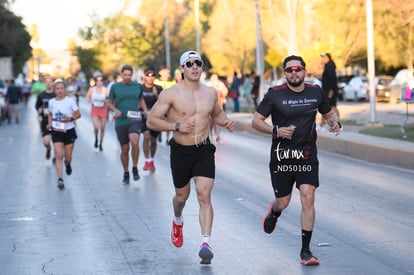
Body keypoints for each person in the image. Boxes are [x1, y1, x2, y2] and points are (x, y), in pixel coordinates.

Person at [147, 50, 235, 265]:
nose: (195, 67)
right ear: (182, 69)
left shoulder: (210, 93)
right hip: (181, 151)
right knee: (181, 197)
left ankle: (206, 242)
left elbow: (216, 113)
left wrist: (226, 122)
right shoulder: (171, 94)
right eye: (190, 63)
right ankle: (178, 220)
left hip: (204, 148)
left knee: (204, 195)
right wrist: (176, 125)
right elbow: (152, 121)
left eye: (198, 63)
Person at [251, 55, 341, 266]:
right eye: (289, 70)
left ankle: (306, 251)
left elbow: (329, 114)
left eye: (297, 69)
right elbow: (256, 121)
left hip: (307, 155)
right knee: (283, 201)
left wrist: (335, 123)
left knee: (308, 197)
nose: (294, 73)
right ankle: (274, 211)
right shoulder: (275, 94)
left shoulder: (315, 92)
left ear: (304, 71)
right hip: (282, 157)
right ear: (285, 74)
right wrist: (275, 130)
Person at [106, 64, 148, 184]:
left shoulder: (137, 86)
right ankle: (126, 172)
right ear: (121, 74)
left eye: (129, 75)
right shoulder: (115, 87)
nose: (127, 77)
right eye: (125, 75)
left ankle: (135, 168)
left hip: (134, 119)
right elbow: (109, 102)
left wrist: (145, 111)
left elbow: (141, 99)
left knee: (135, 140)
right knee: (125, 149)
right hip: (121, 120)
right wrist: (115, 110)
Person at [47, 79, 81, 189]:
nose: (60, 91)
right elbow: (50, 114)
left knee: (68, 156)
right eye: (57, 89)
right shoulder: (51, 102)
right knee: (59, 155)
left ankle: (68, 163)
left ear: (65, 90)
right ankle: (60, 179)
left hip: (69, 131)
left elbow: (78, 114)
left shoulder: (70, 101)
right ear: (54, 90)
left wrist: (70, 118)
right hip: (56, 131)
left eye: (62, 88)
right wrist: (49, 124)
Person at [140, 68, 163, 172]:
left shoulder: (158, 88)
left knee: (153, 140)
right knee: (146, 136)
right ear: (145, 77)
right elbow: (138, 100)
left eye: (153, 76)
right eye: (148, 75)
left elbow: (163, 103)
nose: (151, 78)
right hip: (143, 116)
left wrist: (156, 95)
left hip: (155, 117)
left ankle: (152, 160)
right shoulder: (140, 88)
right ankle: (147, 160)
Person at [85, 75, 110, 151]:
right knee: (96, 127)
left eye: (101, 80)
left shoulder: (105, 90)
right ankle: (96, 138)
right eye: (97, 80)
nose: (99, 82)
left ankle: (101, 143)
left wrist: (106, 101)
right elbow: (87, 97)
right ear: (95, 82)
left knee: (102, 128)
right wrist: (89, 100)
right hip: (95, 108)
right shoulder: (92, 89)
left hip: (103, 109)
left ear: (103, 82)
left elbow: (109, 99)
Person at [35, 75, 56, 161]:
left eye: (50, 82)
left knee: (56, 141)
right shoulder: (41, 95)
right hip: (45, 120)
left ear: (53, 83)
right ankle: (48, 149)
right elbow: (37, 106)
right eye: (46, 82)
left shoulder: (56, 94)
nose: (48, 84)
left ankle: (56, 157)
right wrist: (39, 109)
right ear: (44, 83)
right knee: (46, 142)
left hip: (56, 121)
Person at [319, 52, 340, 130]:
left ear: (328, 58)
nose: (322, 59)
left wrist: (331, 90)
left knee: (327, 107)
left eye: (324, 57)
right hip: (327, 90)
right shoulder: (327, 66)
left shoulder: (330, 66)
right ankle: (337, 124)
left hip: (330, 90)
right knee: (332, 107)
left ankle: (322, 125)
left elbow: (332, 79)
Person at [208, 73, 228, 142]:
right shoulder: (208, 85)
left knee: (218, 121)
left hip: (219, 105)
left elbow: (225, 92)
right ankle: (210, 134)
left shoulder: (220, 85)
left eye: (215, 79)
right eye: (213, 79)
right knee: (210, 121)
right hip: (210, 107)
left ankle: (217, 135)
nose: (214, 81)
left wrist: (220, 91)